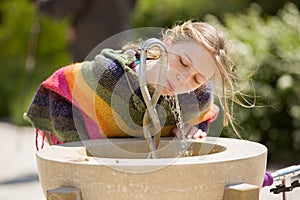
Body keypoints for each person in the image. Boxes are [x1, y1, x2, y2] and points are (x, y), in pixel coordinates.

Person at [24, 20, 236, 148]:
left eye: (197, 79)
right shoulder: (110, 76)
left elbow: (203, 116)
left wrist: (193, 129)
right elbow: (62, 84)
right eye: (182, 62)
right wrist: (78, 143)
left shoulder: (197, 96)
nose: (184, 79)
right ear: (168, 42)